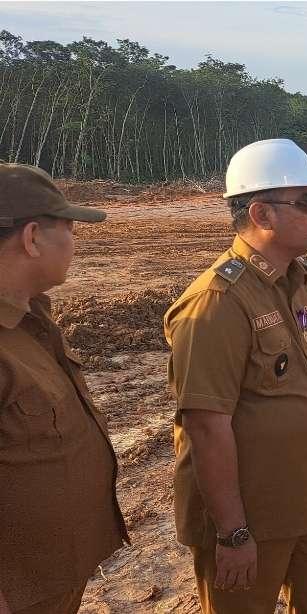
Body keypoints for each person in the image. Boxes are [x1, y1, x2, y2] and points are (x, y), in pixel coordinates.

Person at [163, 139, 307, 612]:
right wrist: (233, 532)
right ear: (262, 215)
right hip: (254, 522)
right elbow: (205, 426)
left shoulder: (298, 282)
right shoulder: (217, 304)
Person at [0, 163, 128, 613]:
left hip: (49, 579)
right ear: (32, 238)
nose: (75, 244)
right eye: (70, 229)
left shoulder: (32, 321)